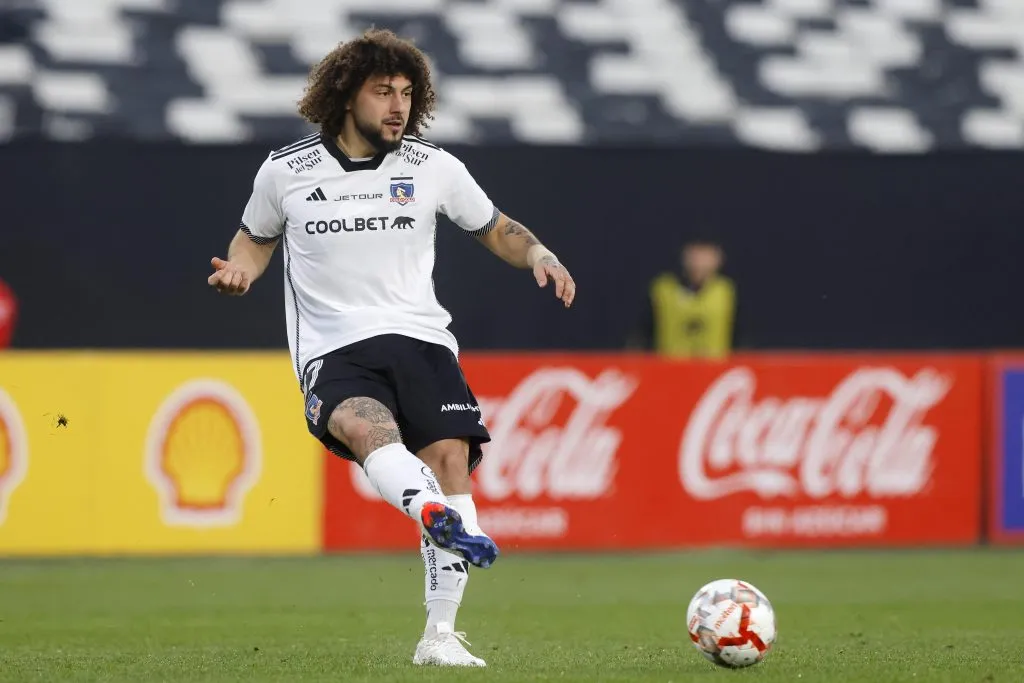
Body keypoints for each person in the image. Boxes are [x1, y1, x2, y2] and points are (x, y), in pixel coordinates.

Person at [206, 28, 576, 667]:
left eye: (407, 93)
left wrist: (539, 252)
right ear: (347, 94)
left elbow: (496, 229)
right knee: (363, 427)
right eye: (383, 92)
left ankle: (439, 635)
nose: (398, 106)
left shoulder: (433, 167)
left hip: (421, 339)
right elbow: (254, 240)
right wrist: (240, 269)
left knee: (450, 458)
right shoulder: (286, 171)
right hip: (334, 347)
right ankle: (430, 508)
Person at [627, 239, 735, 358]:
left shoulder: (726, 292)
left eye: (705, 257)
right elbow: (641, 333)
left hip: (716, 366)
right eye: (695, 256)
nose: (698, 263)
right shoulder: (663, 289)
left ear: (717, 260)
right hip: (669, 365)